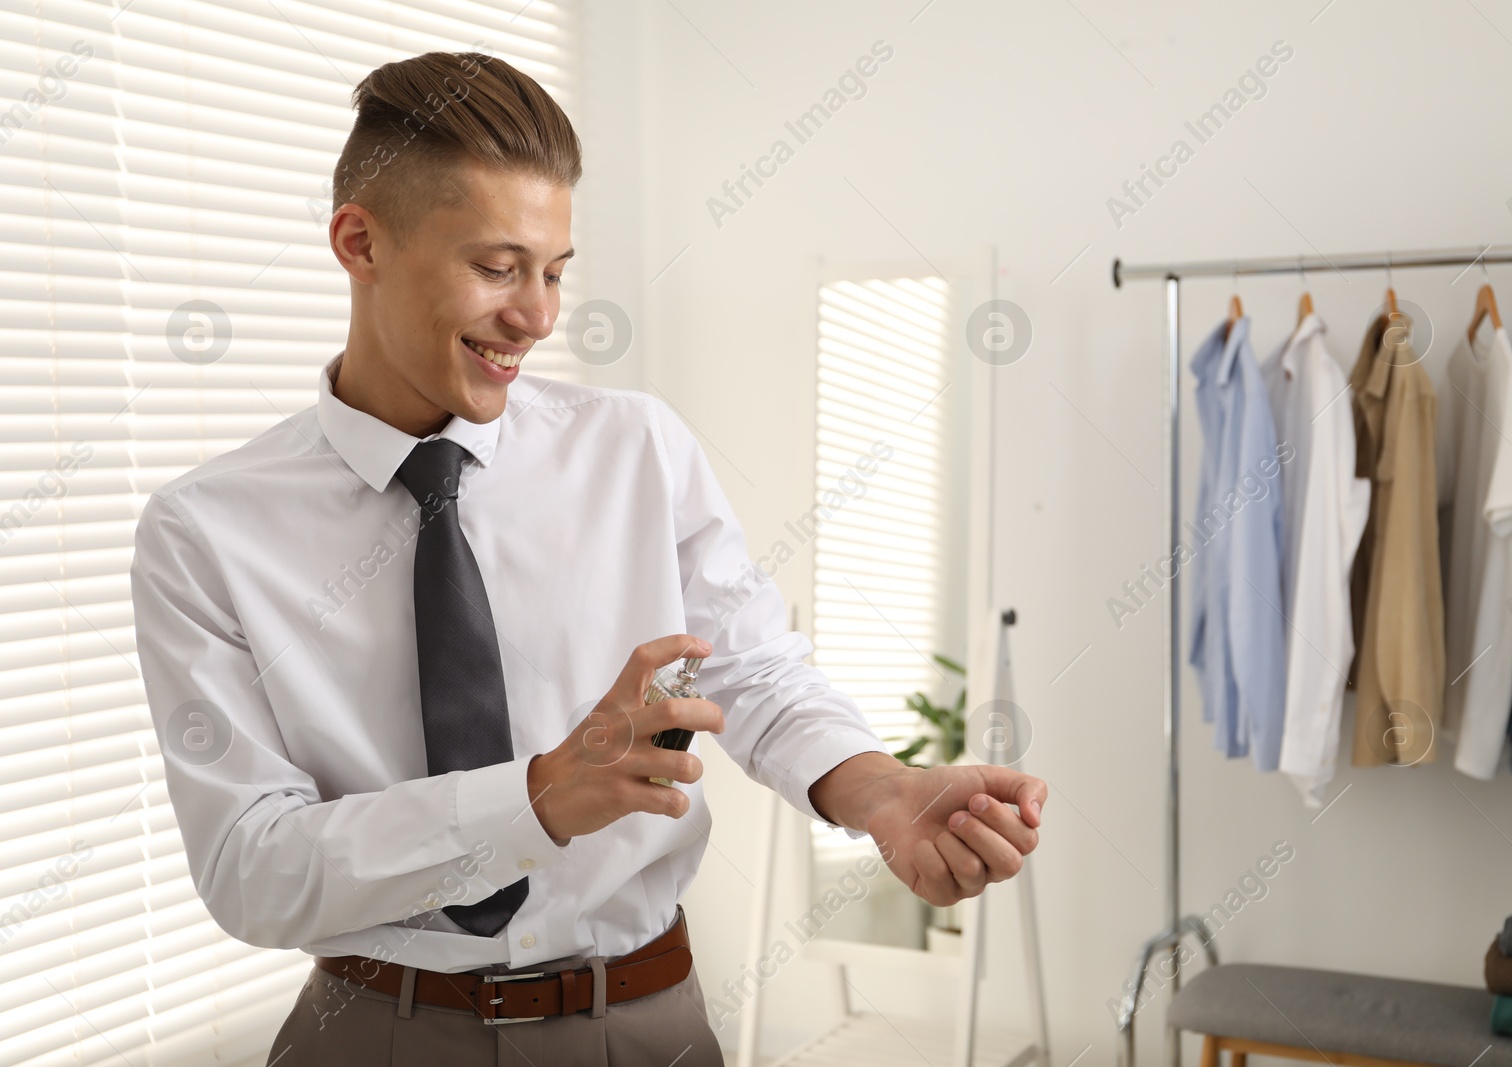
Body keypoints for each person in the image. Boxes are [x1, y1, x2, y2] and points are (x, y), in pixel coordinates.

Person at [128, 50, 1047, 1066]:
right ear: (359, 241)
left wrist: (876, 788)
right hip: (375, 1035)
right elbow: (248, 868)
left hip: (641, 1026)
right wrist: (532, 800)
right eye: (496, 266)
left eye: (555, 271)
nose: (537, 316)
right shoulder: (205, 530)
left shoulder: (635, 449)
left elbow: (749, 669)